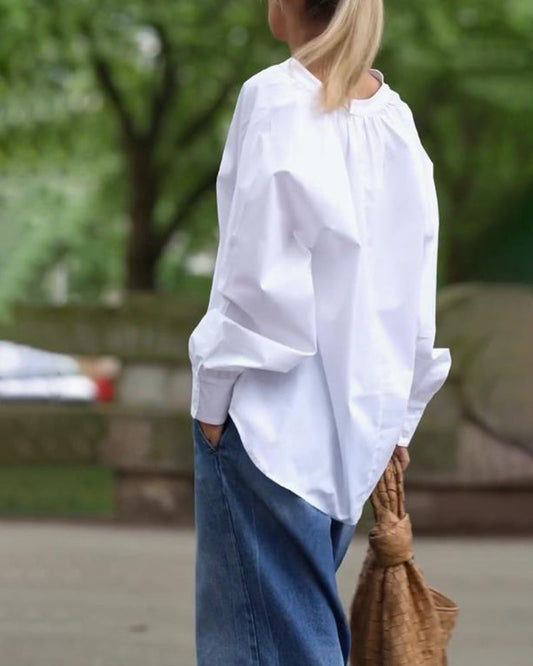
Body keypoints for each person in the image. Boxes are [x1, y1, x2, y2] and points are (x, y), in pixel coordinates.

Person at [188, 0, 452, 663]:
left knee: (267, 647)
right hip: (356, 434)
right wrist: (400, 418)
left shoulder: (275, 97)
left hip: (268, 423)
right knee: (299, 636)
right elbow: (414, 286)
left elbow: (256, 278)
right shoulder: (394, 118)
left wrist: (211, 399)